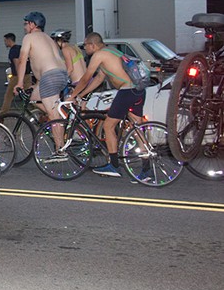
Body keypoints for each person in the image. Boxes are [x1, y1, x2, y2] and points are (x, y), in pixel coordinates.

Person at [68, 32, 147, 178]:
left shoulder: (99, 55)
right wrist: (81, 95)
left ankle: (114, 166)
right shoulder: (111, 51)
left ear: (93, 45)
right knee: (137, 129)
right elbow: (98, 79)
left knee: (108, 126)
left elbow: (86, 78)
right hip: (138, 90)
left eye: (86, 45)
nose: (85, 49)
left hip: (126, 91)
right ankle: (147, 170)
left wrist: (72, 96)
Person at [14, 12, 69, 157]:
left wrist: (19, 82)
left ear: (33, 24)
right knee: (32, 96)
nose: (25, 27)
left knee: (53, 115)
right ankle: (61, 116)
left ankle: (60, 150)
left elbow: (22, 60)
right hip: (60, 75)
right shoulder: (48, 39)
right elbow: (43, 61)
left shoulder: (29, 38)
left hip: (50, 77)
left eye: (26, 24)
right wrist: (37, 84)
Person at [0, 33, 33, 120]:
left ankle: (0, 117)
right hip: (28, 75)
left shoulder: (13, 51)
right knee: (30, 96)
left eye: (5, 41)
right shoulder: (20, 48)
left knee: (8, 97)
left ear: (9, 40)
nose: (5, 43)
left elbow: (17, 63)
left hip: (17, 76)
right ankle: (41, 114)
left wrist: (18, 79)